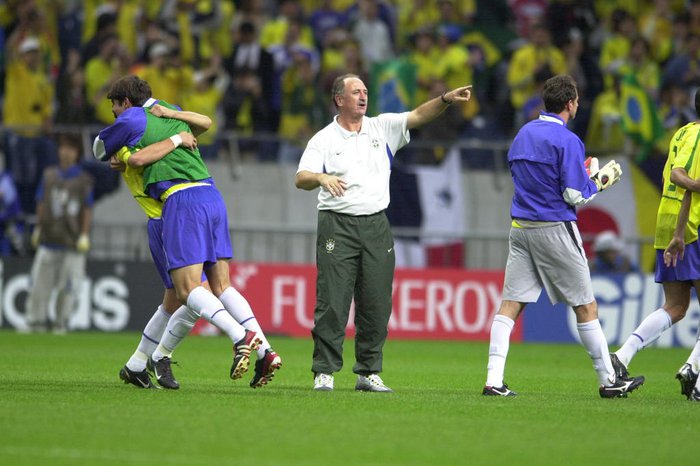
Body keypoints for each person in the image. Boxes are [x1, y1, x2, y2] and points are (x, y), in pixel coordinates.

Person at [93, 76, 281, 389]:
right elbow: (206, 122)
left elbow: (103, 149)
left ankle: (240, 338)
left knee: (187, 293)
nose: (114, 112)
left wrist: (122, 154)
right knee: (202, 292)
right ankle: (143, 362)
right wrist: (179, 133)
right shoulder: (170, 111)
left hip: (173, 209)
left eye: (115, 105)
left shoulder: (132, 120)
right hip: (210, 195)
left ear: (125, 103)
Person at [295, 73, 473, 392]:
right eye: (355, 92)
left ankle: (368, 371)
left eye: (365, 91)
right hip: (338, 223)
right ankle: (324, 371)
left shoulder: (383, 127)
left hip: (376, 224)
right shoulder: (324, 138)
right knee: (333, 302)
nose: (363, 96)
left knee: (376, 301)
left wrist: (445, 99)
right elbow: (301, 177)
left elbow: (418, 115)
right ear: (339, 100)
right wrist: (321, 179)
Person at [482, 75, 645, 398]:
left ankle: (493, 380)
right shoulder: (568, 140)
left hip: (520, 227)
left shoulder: (523, 134)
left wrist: (582, 177)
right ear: (570, 104)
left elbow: (527, 177)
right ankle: (608, 380)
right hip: (554, 227)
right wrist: (600, 180)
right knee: (586, 306)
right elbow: (574, 195)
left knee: (510, 305)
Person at [618, 90, 700, 400]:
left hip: (669, 221)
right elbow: (681, 176)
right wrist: (682, 230)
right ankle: (693, 373)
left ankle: (623, 355)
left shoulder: (682, 131)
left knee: (676, 307)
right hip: (689, 225)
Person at [25, 134, 94, 333]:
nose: (66, 152)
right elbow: (41, 202)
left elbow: (87, 209)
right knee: (39, 286)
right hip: (48, 239)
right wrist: (38, 227)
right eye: (63, 148)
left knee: (69, 288)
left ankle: (61, 323)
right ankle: (34, 323)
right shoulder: (49, 175)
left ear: (77, 154)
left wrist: (84, 234)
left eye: (71, 149)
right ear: (58, 151)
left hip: (71, 242)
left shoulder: (83, 180)